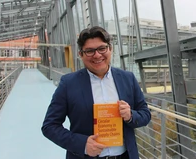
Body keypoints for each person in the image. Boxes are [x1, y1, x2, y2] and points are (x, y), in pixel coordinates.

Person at [41, 26, 151, 159]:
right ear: (80, 54)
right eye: (90, 51)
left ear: (110, 49)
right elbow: (49, 126)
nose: (97, 55)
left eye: (102, 48)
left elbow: (145, 114)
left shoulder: (128, 78)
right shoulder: (68, 84)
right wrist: (83, 145)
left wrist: (130, 116)